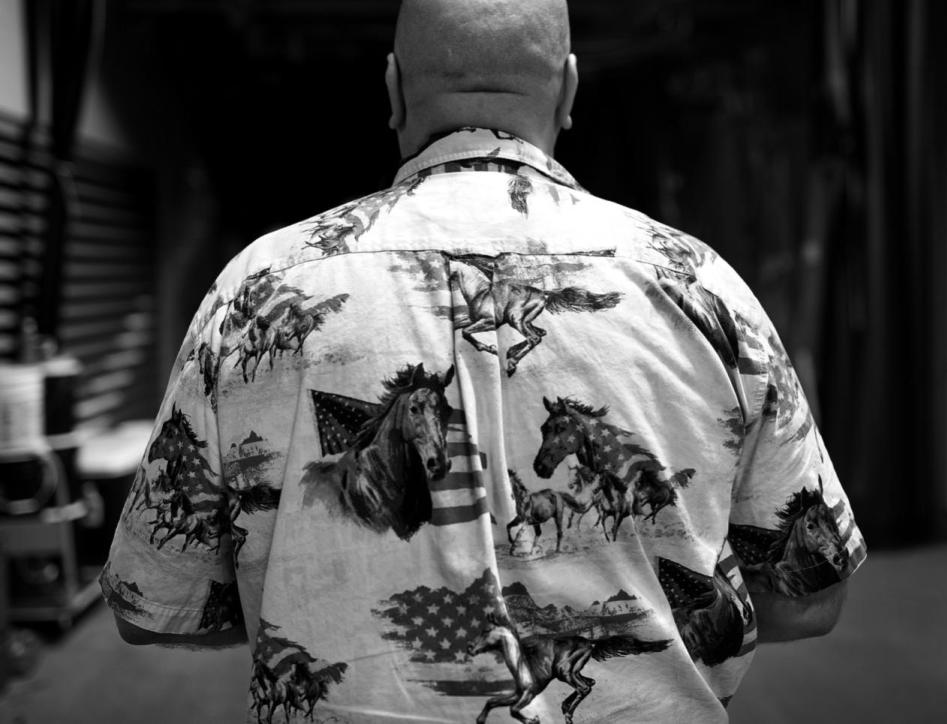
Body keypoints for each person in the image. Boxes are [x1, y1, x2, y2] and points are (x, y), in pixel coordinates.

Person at [101, 1, 866, 721]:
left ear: (394, 91)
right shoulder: (700, 285)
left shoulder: (258, 289)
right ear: (567, 88)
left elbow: (152, 605)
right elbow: (810, 599)